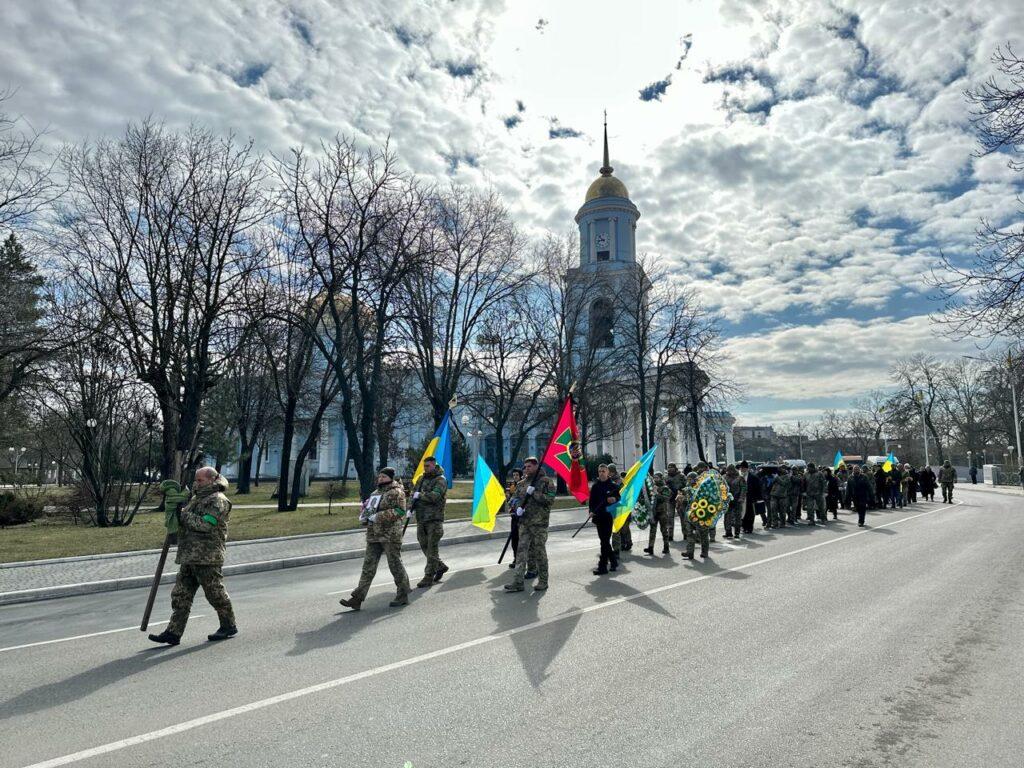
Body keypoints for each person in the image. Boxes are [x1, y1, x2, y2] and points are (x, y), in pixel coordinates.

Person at [149, 467, 237, 645]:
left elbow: (206, 524)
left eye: (200, 480)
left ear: (212, 480)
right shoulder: (197, 499)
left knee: (215, 593)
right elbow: (185, 521)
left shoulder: (218, 501)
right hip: (189, 556)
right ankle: (174, 632)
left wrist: (182, 515)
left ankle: (228, 625)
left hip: (207, 557)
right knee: (181, 595)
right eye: (196, 480)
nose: (196, 483)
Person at [339, 467, 410, 611]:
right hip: (374, 535)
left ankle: (403, 593)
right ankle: (357, 598)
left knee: (395, 564)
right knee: (368, 567)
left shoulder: (397, 492)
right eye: (379, 477)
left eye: (383, 477)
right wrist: (365, 516)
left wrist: (378, 516)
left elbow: (400, 511)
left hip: (390, 534)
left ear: (390, 477)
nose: (380, 479)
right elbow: (370, 510)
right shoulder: (375, 493)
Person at [505, 457, 555, 592]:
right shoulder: (521, 483)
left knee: (540, 552)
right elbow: (513, 498)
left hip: (539, 524)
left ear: (536, 466)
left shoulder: (547, 482)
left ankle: (543, 581)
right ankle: (518, 582)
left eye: (529, 466)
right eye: (525, 466)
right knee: (521, 553)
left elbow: (549, 500)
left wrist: (535, 493)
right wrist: (517, 508)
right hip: (524, 523)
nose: (526, 469)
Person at [411, 456, 448, 588]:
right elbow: (413, 493)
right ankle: (440, 566)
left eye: (427, 466)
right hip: (421, 519)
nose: (425, 468)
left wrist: (420, 496)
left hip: (434, 520)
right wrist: (411, 506)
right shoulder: (421, 479)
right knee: (423, 545)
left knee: (432, 549)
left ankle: (428, 576)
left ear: (434, 465)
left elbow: (434, 496)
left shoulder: (441, 480)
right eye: (424, 466)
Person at [590, 464, 621, 574]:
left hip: (608, 516)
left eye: (603, 471)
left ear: (608, 473)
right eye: (600, 471)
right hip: (598, 517)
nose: (601, 473)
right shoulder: (595, 486)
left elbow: (619, 498)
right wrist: (591, 511)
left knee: (604, 541)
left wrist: (614, 499)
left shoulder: (613, 486)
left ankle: (602, 566)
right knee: (604, 541)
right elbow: (592, 502)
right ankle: (613, 561)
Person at [679, 471, 709, 559]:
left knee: (703, 534)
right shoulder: (687, 489)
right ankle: (690, 552)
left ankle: (704, 552)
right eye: (687, 479)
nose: (688, 481)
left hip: (701, 514)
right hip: (689, 515)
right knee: (690, 534)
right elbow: (684, 500)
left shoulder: (702, 488)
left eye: (689, 479)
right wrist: (681, 498)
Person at [644, 472, 673, 555]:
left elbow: (666, 498)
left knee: (664, 530)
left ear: (661, 478)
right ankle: (650, 547)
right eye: (654, 477)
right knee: (652, 530)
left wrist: (657, 493)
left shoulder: (665, 488)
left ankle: (666, 547)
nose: (655, 479)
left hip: (662, 512)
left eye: (657, 477)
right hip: (653, 512)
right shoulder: (651, 487)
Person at [608, 463, 632, 554]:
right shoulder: (609, 481)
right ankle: (620, 544)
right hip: (613, 507)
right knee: (617, 527)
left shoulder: (620, 482)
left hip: (622, 507)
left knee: (624, 527)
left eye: (609, 471)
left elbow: (624, 494)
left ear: (612, 472)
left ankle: (628, 542)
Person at [505, 468, 523, 569]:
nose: (515, 477)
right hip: (514, 517)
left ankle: (525, 560)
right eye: (514, 475)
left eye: (517, 475)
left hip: (522, 518)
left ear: (520, 476)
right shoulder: (511, 487)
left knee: (522, 540)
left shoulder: (524, 485)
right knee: (514, 539)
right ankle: (516, 558)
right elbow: (510, 500)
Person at [724, 464, 746, 538]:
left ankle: (737, 532)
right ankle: (728, 532)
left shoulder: (740, 478)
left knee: (737, 517)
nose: (728, 472)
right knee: (727, 517)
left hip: (737, 500)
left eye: (729, 470)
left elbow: (743, 488)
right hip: (727, 500)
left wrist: (741, 498)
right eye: (728, 470)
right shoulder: (725, 477)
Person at [740, 461, 762, 533]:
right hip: (742, 498)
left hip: (750, 498)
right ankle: (744, 526)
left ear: (747, 468)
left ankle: (749, 527)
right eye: (741, 468)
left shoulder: (753, 477)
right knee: (743, 513)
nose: (742, 470)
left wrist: (756, 498)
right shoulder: (740, 477)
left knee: (750, 513)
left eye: (743, 468)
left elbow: (757, 488)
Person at [665, 462, 685, 541]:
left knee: (682, 517)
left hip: (679, 499)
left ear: (675, 468)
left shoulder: (681, 476)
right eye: (669, 467)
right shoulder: (666, 477)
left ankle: (685, 533)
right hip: (670, 500)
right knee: (670, 517)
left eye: (671, 467)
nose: (670, 469)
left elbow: (686, 485)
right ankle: (670, 535)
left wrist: (680, 490)